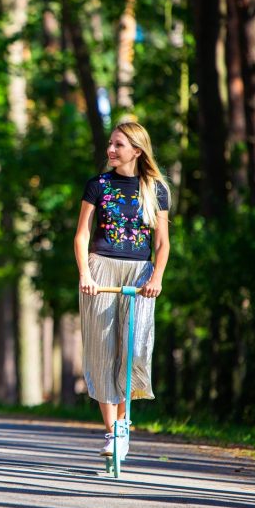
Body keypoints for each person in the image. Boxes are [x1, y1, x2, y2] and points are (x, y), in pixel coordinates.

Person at [74, 120, 171, 457]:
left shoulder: (156, 189)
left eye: (118, 145)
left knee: (133, 349)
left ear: (137, 150)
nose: (111, 150)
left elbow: (162, 243)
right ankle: (113, 430)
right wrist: (85, 273)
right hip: (101, 269)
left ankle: (123, 421)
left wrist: (156, 277)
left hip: (140, 275)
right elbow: (82, 235)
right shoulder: (97, 185)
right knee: (102, 350)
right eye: (110, 144)